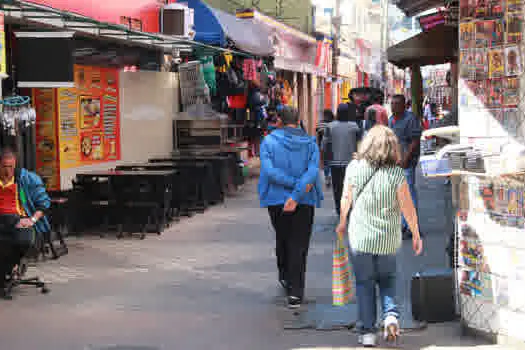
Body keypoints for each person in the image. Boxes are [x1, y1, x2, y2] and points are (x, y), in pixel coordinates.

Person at [336, 126, 423, 347]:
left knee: (365, 284)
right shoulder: (395, 173)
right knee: (388, 280)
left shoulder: (354, 168)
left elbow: (346, 198)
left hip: (361, 239)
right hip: (388, 239)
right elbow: (407, 207)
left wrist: (342, 221)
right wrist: (415, 233)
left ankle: (367, 333)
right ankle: (391, 317)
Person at [258, 106, 323, 309]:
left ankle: (285, 275)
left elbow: (269, 171)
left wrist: (290, 187)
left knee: (283, 237)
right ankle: (296, 292)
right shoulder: (311, 144)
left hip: (276, 199)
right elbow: (312, 172)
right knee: (299, 244)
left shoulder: (268, 142)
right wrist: (297, 191)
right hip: (304, 198)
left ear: (279, 120)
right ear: (298, 120)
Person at [0, 146, 51, 294]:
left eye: (11, 167)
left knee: (23, 239)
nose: (7, 171)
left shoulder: (25, 179)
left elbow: (44, 204)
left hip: (20, 219)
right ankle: (8, 271)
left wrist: (32, 220)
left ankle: (11, 267)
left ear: (15, 164)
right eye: (4, 167)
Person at [389, 94, 422, 240]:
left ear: (403, 105)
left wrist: (406, 158)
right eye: (392, 104)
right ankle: (404, 224)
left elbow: (414, 141)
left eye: (396, 104)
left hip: (407, 163)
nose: (393, 107)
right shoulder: (391, 120)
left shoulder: (410, 119)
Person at [323, 103, 361, 216]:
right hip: (351, 163)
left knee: (337, 188)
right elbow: (360, 144)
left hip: (335, 163)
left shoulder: (330, 126)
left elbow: (325, 145)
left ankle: (340, 209)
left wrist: (324, 159)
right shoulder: (354, 127)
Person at [317, 109, 334, 187]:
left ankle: (327, 177)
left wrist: (318, 146)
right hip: (333, 144)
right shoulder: (334, 123)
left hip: (324, 145)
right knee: (332, 161)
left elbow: (318, 136)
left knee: (325, 162)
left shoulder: (320, 123)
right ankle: (330, 175)